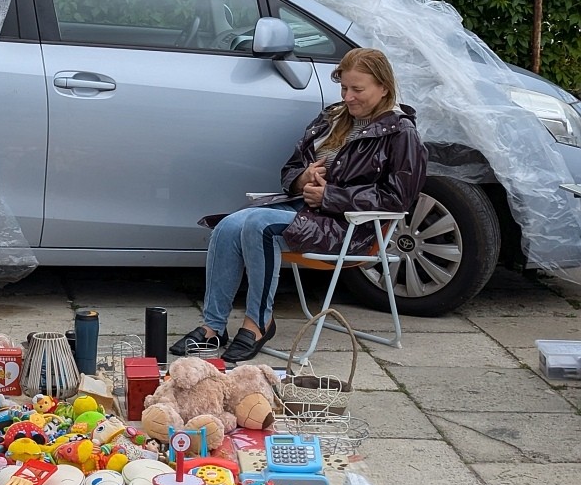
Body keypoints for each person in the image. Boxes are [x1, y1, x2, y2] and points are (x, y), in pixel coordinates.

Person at [172, 47, 427, 363]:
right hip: (306, 211)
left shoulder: (400, 131)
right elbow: (290, 170)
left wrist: (330, 196)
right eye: (344, 88)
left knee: (257, 225)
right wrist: (301, 178)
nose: (348, 97)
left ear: (383, 87)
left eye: (357, 89)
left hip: (350, 227)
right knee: (227, 226)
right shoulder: (333, 118)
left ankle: (259, 322)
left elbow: (399, 198)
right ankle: (213, 327)